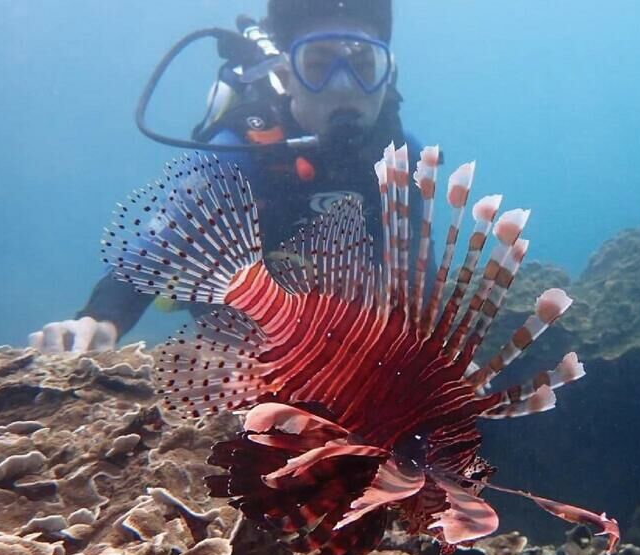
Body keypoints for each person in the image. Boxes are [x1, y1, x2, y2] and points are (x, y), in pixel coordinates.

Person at [30, 0, 431, 353]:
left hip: (348, 331)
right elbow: (161, 242)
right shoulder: (242, 147)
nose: (344, 87)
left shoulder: (403, 156)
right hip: (240, 329)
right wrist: (101, 318)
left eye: (365, 66)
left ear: (389, 71)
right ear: (286, 73)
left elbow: (414, 269)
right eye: (318, 65)